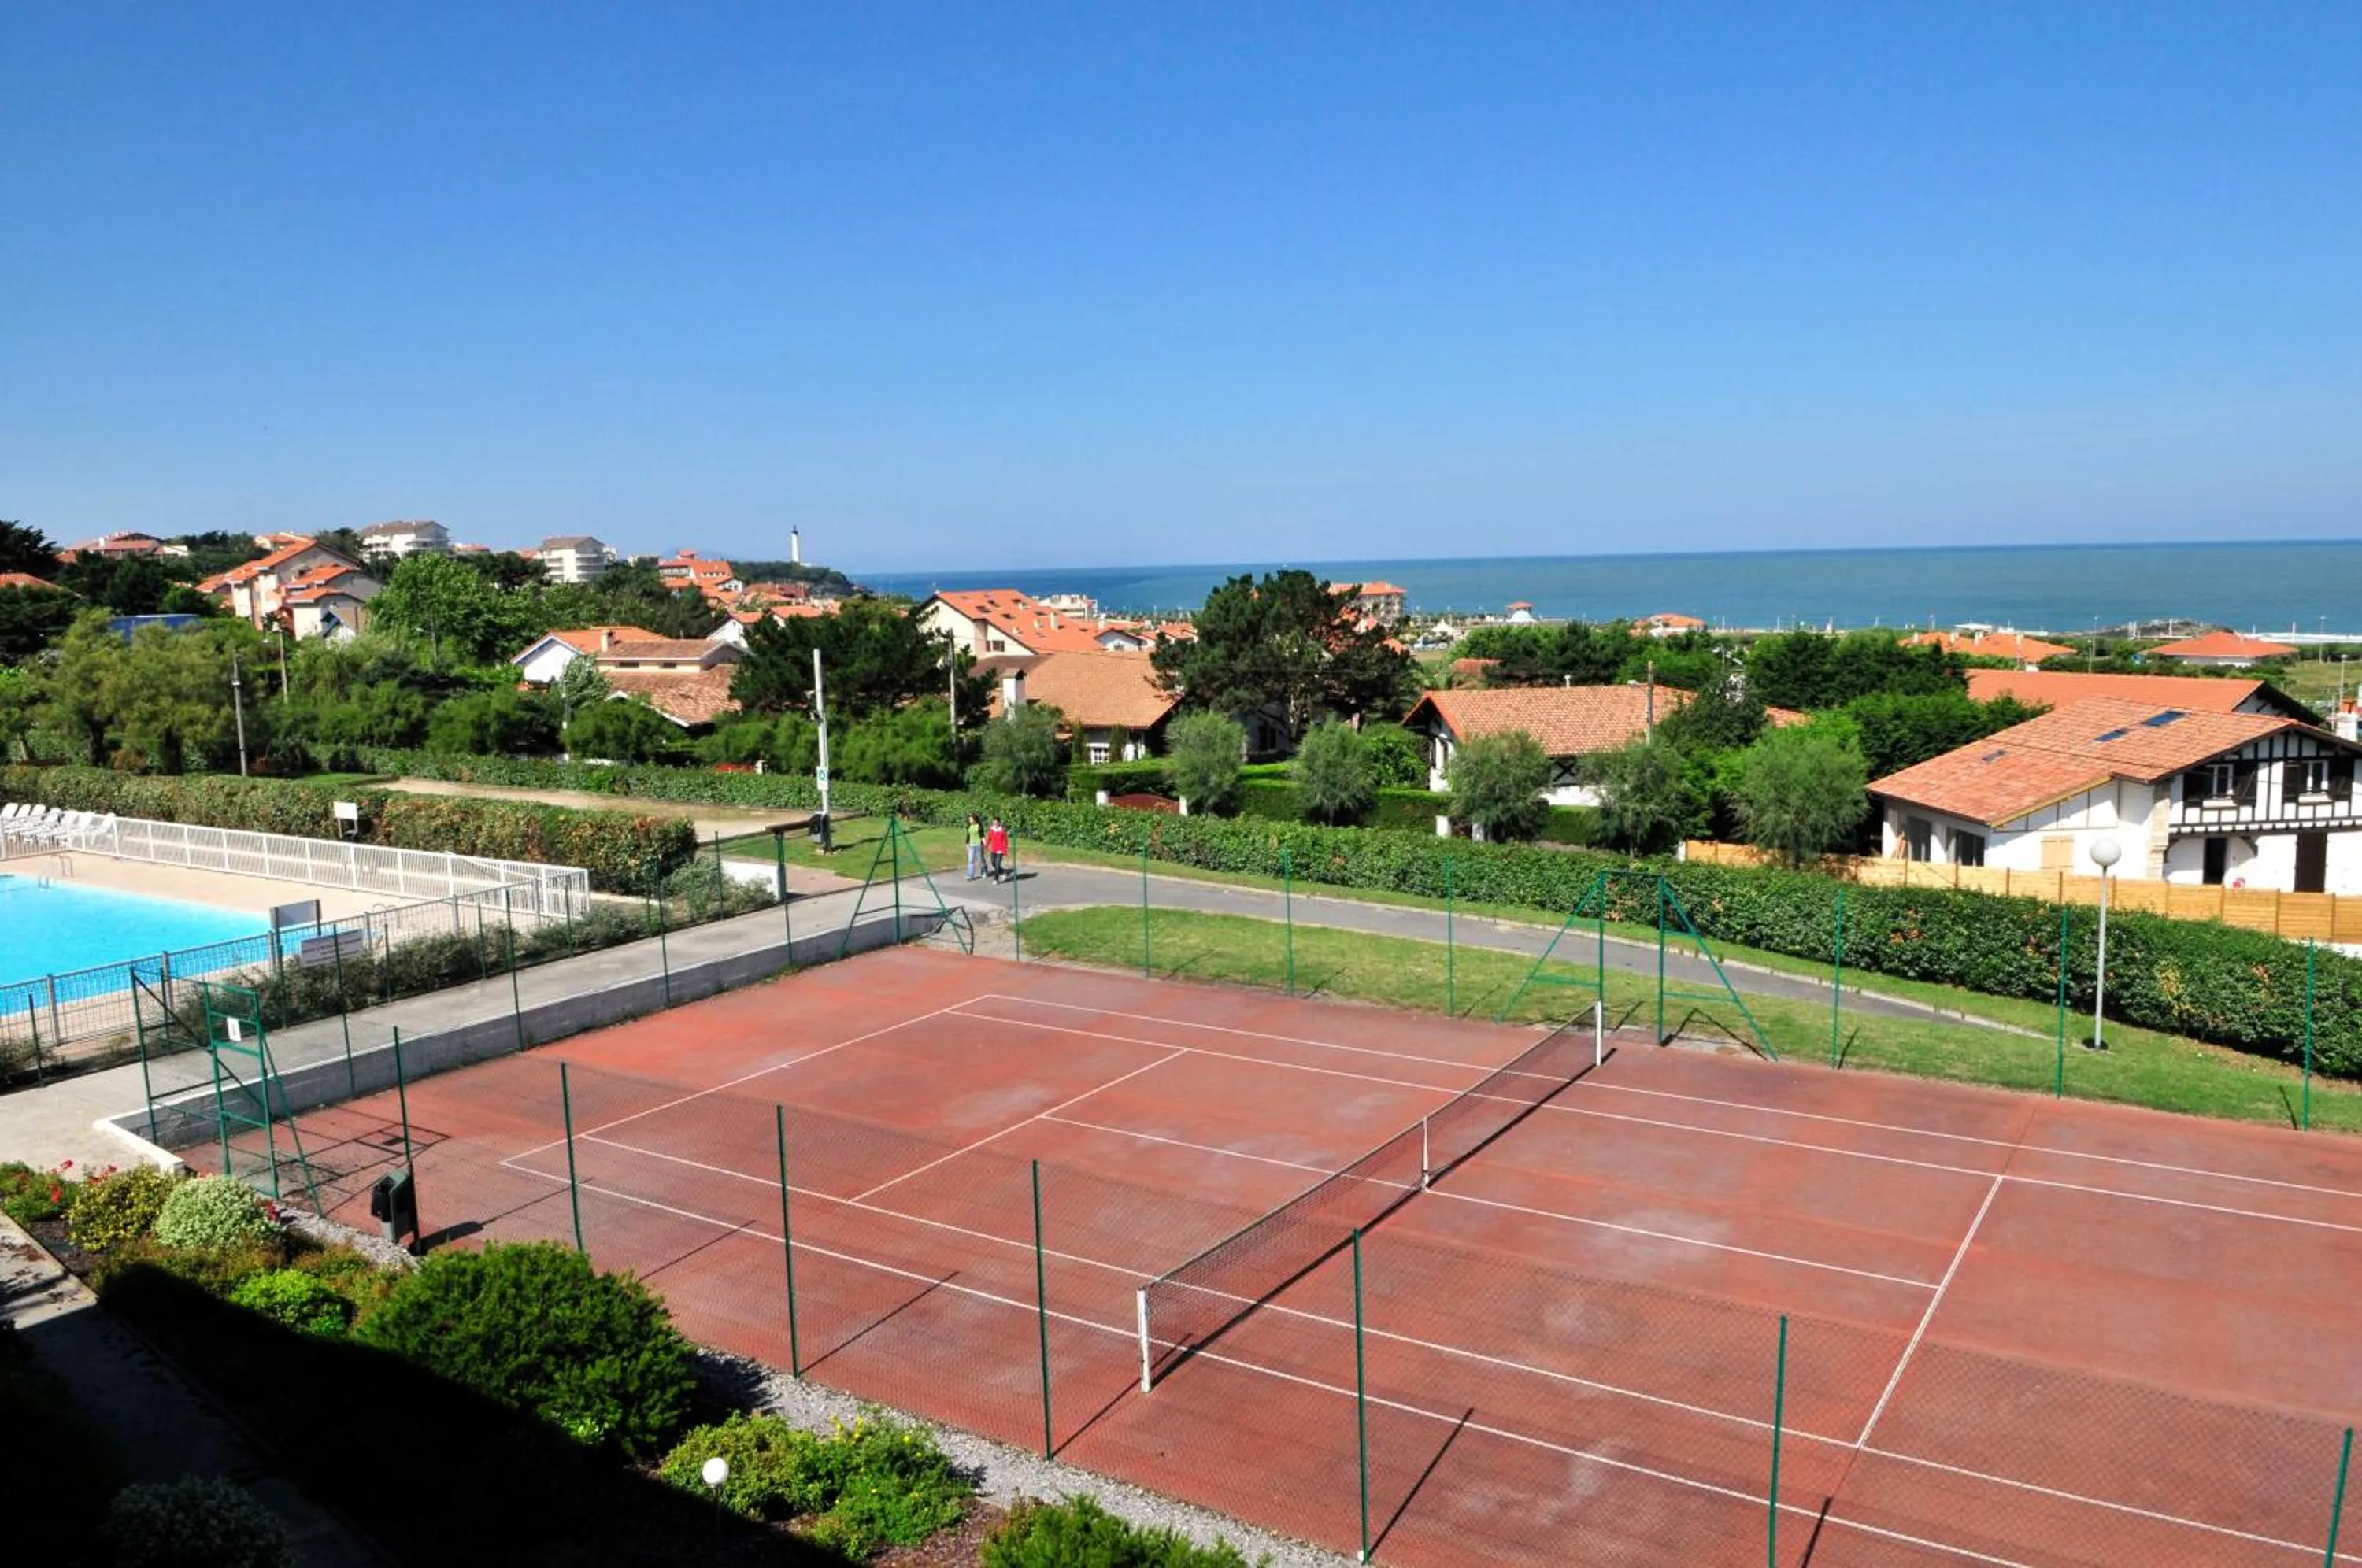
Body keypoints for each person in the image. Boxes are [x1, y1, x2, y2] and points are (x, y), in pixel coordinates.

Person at [986, 816, 1010, 882]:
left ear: (999, 823)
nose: (995, 824)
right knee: (993, 863)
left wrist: (1005, 850)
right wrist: (986, 845)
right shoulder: (991, 829)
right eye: (994, 823)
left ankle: (996, 879)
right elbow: (989, 838)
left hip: (1000, 850)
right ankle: (1003, 872)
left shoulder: (1002, 830)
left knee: (997, 864)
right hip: (993, 849)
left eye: (996, 823)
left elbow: (1005, 841)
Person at [964, 812, 983, 882]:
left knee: (980, 860)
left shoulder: (979, 826)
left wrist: (985, 843)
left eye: (971, 819)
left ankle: (984, 871)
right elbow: (968, 836)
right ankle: (970, 876)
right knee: (970, 861)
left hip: (978, 845)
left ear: (975, 820)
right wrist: (967, 844)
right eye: (969, 819)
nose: (970, 820)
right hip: (972, 845)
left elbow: (982, 835)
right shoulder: (969, 826)